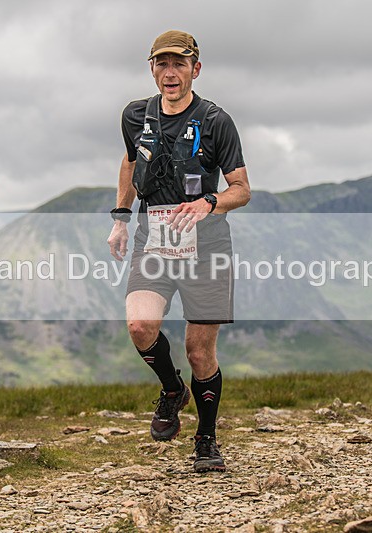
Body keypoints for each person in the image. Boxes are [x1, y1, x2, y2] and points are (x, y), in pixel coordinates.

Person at [107, 30, 250, 473]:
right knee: (140, 326)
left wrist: (210, 201)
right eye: (162, 64)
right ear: (152, 68)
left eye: (179, 64)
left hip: (206, 245)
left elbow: (242, 190)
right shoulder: (135, 116)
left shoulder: (215, 121)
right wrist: (120, 217)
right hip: (155, 238)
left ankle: (206, 440)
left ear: (195, 69)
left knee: (199, 352)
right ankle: (172, 390)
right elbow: (131, 161)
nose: (170, 73)